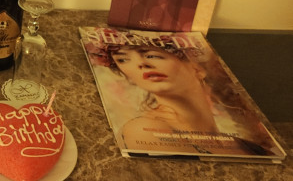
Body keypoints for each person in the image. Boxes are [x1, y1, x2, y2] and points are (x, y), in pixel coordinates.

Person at [88, 34, 277, 157]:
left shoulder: (241, 144)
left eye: (152, 55)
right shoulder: (144, 130)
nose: (141, 64)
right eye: (123, 60)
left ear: (197, 69)